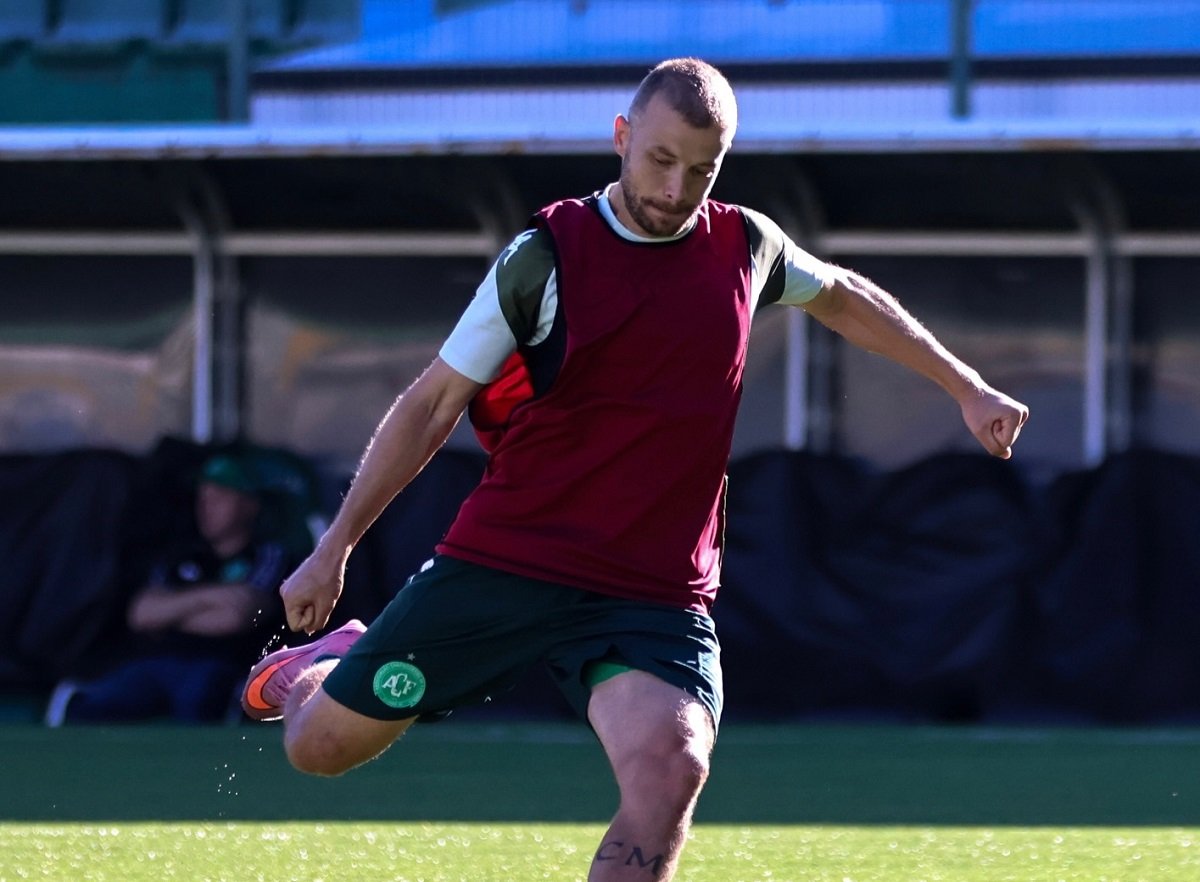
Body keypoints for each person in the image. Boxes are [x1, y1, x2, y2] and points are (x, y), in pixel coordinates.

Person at [241, 57, 1029, 880]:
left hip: (650, 590)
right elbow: (432, 403)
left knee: (673, 767)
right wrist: (333, 547)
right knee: (318, 750)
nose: (676, 187)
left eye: (701, 169)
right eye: (660, 160)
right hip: (509, 561)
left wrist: (965, 387)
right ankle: (319, 671)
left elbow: (839, 295)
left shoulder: (746, 245)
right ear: (622, 138)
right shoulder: (543, 256)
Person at [45, 455, 289, 725]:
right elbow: (141, 615)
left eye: (219, 497)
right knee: (97, 707)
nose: (205, 507)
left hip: (220, 664)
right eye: (202, 497)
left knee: (202, 698)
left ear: (249, 504)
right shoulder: (181, 555)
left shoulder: (267, 556)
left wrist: (174, 611)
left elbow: (239, 616)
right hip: (157, 662)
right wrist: (214, 597)